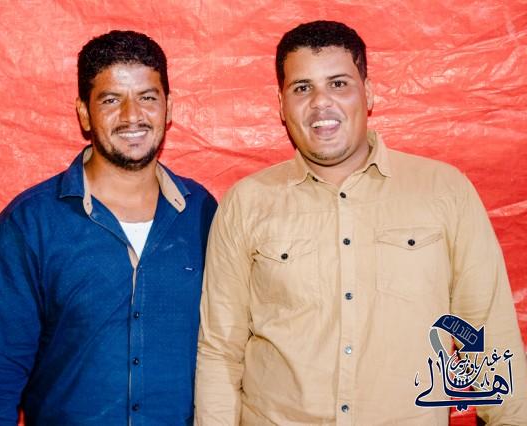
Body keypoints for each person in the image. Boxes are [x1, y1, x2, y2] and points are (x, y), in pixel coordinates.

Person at [194, 20, 526, 425]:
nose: (321, 102)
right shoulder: (246, 203)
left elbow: (488, 333)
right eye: (302, 88)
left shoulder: (444, 191)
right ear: (281, 105)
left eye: (338, 84)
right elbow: (220, 351)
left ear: (367, 93)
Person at [0, 30, 217, 425]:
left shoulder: (202, 214)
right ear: (83, 113)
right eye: (111, 100)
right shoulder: (30, 224)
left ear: (169, 107)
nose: (132, 115)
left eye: (147, 97)